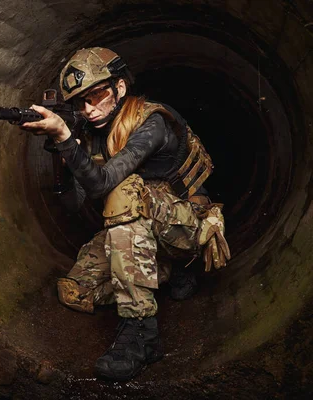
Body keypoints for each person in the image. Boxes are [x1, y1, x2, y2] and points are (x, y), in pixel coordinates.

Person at [21, 47, 231, 381]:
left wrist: (64, 138)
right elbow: (75, 204)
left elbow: (104, 184)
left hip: (189, 228)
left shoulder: (151, 122)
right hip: (140, 230)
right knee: (77, 290)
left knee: (124, 193)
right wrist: (60, 156)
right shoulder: (92, 136)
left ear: (119, 88)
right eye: (80, 103)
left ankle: (141, 334)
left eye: (97, 96)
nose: (89, 110)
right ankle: (160, 272)